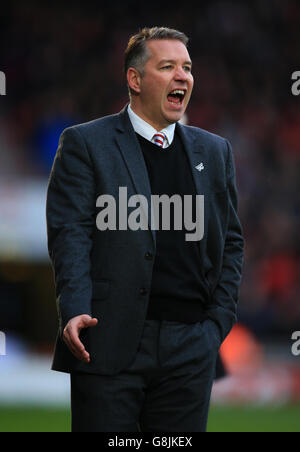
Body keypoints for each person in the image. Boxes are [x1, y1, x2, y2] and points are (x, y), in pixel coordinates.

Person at [46, 27, 244, 432]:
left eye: (187, 68)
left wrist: (216, 323)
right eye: (167, 66)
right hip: (105, 341)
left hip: (191, 346)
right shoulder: (86, 143)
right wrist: (75, 307)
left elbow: (232, 242)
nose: (182, 76)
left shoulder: (214, 150)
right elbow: (71, 233)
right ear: (135, 80)